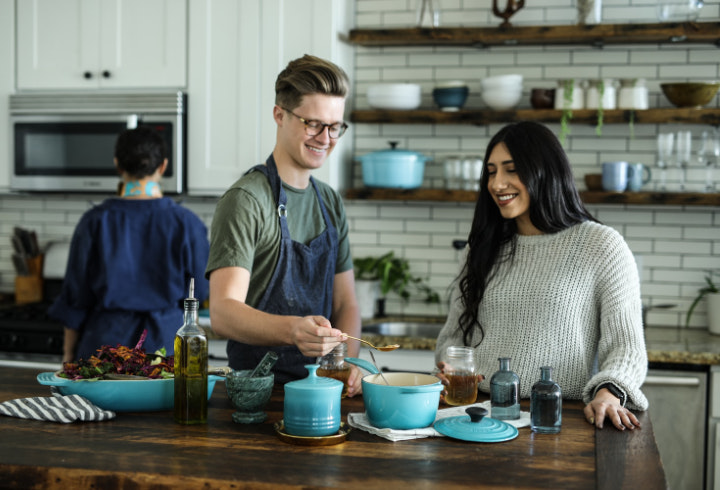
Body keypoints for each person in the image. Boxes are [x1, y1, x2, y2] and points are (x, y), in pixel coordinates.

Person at [435, 121, 648, 431]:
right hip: (478, 416)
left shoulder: (601, 245)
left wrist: (609, 392)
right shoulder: (481, 248)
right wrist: (449, 366)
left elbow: (626, 347)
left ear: (545, 172)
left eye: (512, 170)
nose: (497, 184)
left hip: (559, 418)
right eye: (492, 172)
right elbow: (453, 337)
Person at [205, 54, 362, 394]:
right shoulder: (247, 200)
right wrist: (294, 330)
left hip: (323, 390)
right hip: (259, 396)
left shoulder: (330, 202)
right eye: (313, 124)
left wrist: (347, 360)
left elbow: (346, 303)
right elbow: (222, 312)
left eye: (335, 127)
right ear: (280, 115)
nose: (325, 138)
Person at [49, 126, 210, 362]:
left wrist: (68, 356)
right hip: (165, 351)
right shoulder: (187, 224)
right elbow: (201, 292)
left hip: (104, 351)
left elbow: (75, 299)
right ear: (163, 166)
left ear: (118, 165)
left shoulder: (94, 221)